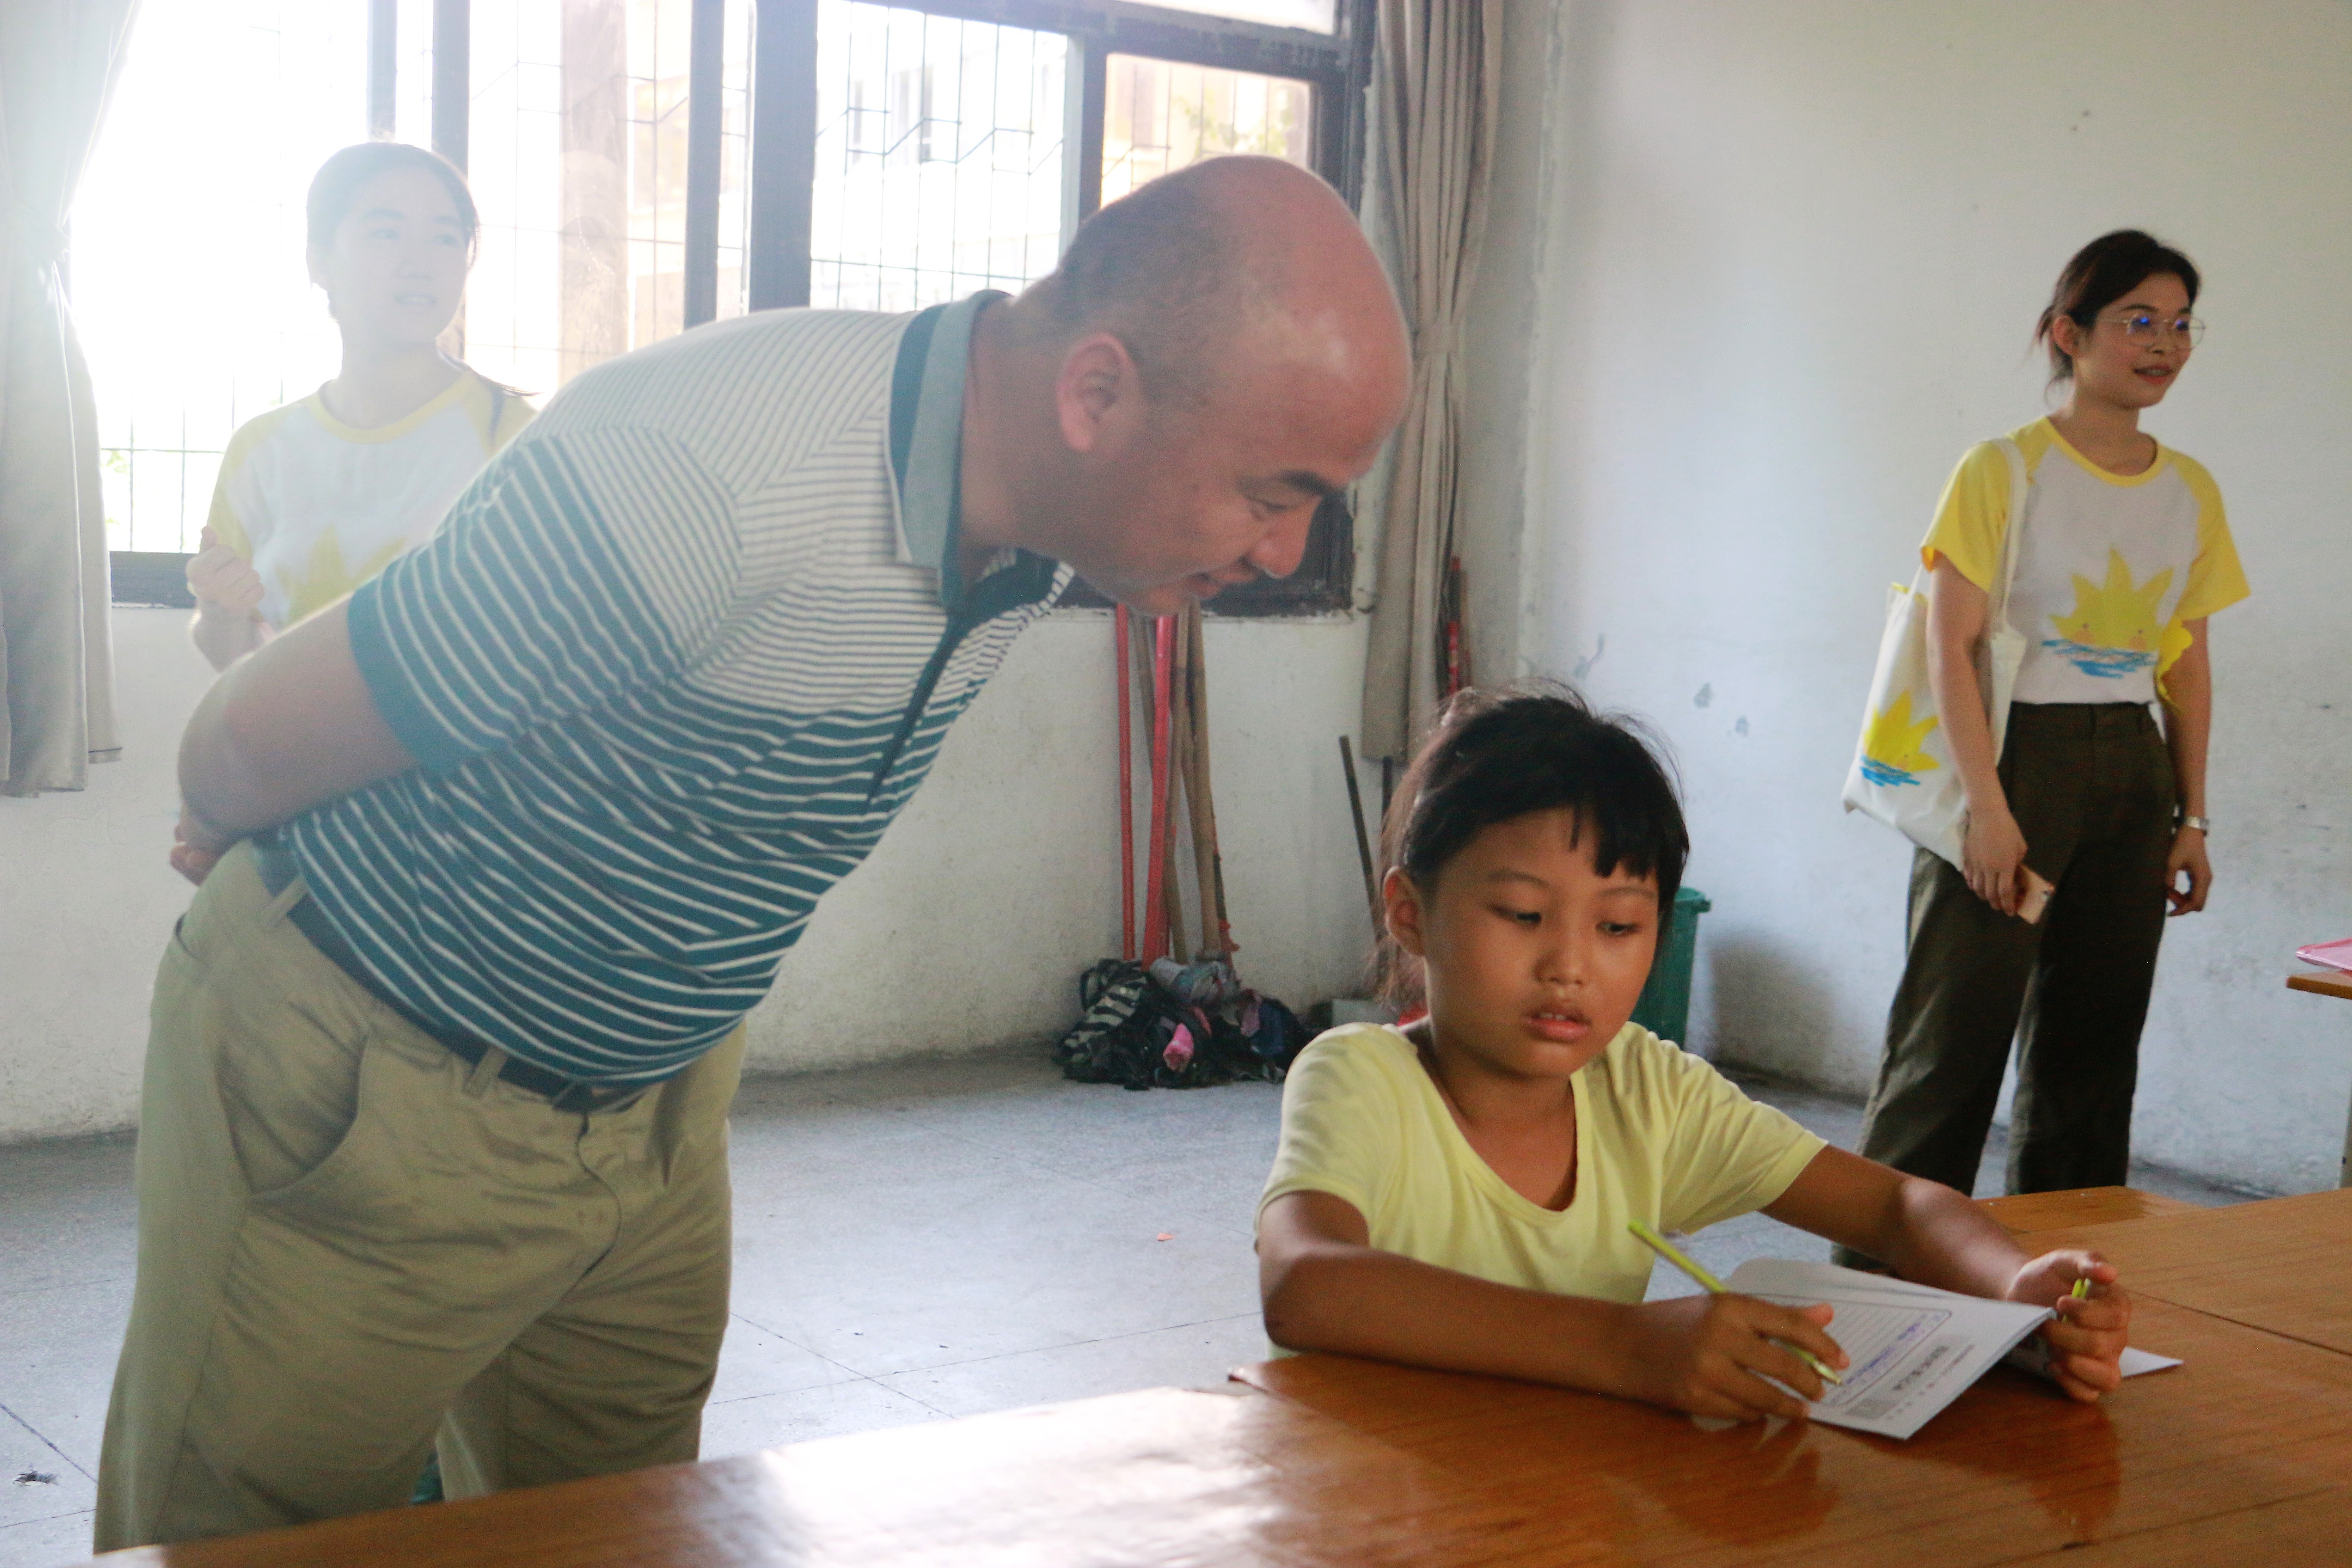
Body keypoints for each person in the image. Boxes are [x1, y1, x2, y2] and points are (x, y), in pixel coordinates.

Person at [95, 153, 1409, 1549]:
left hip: (652, 1103)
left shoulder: (1036, 522)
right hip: (375, 1070)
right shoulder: (714, 468)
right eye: (1275, 492)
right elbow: (244, 736)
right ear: (1095, 392)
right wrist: (228, 833)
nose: (1286, 550)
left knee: (613, 1525)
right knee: (247, 1538)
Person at [1254, 686, 2132, 1424]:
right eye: (1523, 915)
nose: (1569, 965)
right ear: (1410, 913)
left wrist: (2014, 1287)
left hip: (1563, 1503)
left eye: (1618, 927)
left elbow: (1900, 1206)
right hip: (1373, 1497)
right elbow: (1307, 1282)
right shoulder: (1360, 1078)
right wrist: (1627, 1343)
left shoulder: (1647, 1092)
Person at [1848, 231, 2249, 1209]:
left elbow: (2185, 661)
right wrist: (1983, 808)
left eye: (2178, 325)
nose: (2161, 344)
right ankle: (1879, 1286)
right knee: (1949, 1042)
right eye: (2135, 322)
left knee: (2093, 1047)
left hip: (2128, 767)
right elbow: (1949, 645)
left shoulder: (2188, 488)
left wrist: (2189, 817)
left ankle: (2068, 1284)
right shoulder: (2002, 468)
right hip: (2012, 757)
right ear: (2067, 334)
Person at [184, 141, 532, 674]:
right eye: (386, 232)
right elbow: (235, 665)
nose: (420, 263)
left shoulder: (517, 438)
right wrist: (220, 611)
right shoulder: (261, 450)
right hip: (295, 748)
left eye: (445, 238)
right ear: (318, 261)